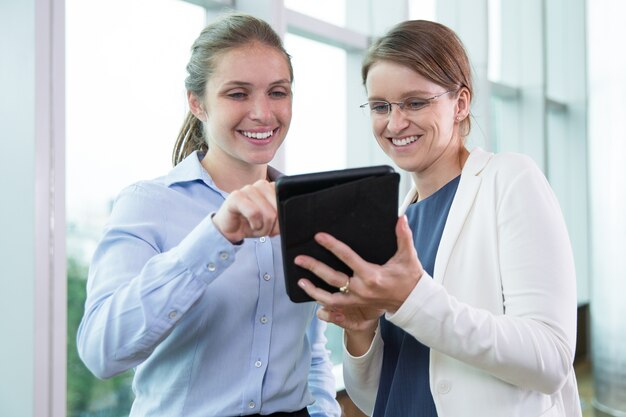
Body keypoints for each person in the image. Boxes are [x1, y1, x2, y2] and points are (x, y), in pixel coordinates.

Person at [295, 19, 582, 417]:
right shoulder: (396, 223)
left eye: (415, 102)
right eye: (380, 106)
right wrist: (360, 331)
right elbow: (383, 395)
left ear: (460, 103)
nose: (395, 124)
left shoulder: (509, 180)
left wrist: (411, 299)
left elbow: (550, 359)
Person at [76, 12, 341, 417]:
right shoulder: (148, 204)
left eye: (277, 92)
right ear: (197, 102)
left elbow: (311, 348)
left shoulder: (306, 205)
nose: (263, 113)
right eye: (237, 94)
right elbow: (102, 350)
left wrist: (324, 411)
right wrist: (216, 236)